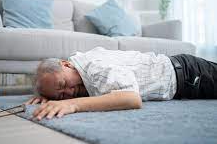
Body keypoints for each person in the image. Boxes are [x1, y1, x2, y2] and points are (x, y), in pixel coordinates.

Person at [24, 47, 217, 121]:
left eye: (62, 84)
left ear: (66, 64)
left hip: (190, 74)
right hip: (184, 77)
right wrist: (49, 96)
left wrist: (70, 104)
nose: (69, 91)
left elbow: (131, 98)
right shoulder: (76, 67)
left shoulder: (95, 67)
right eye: (60, 95)